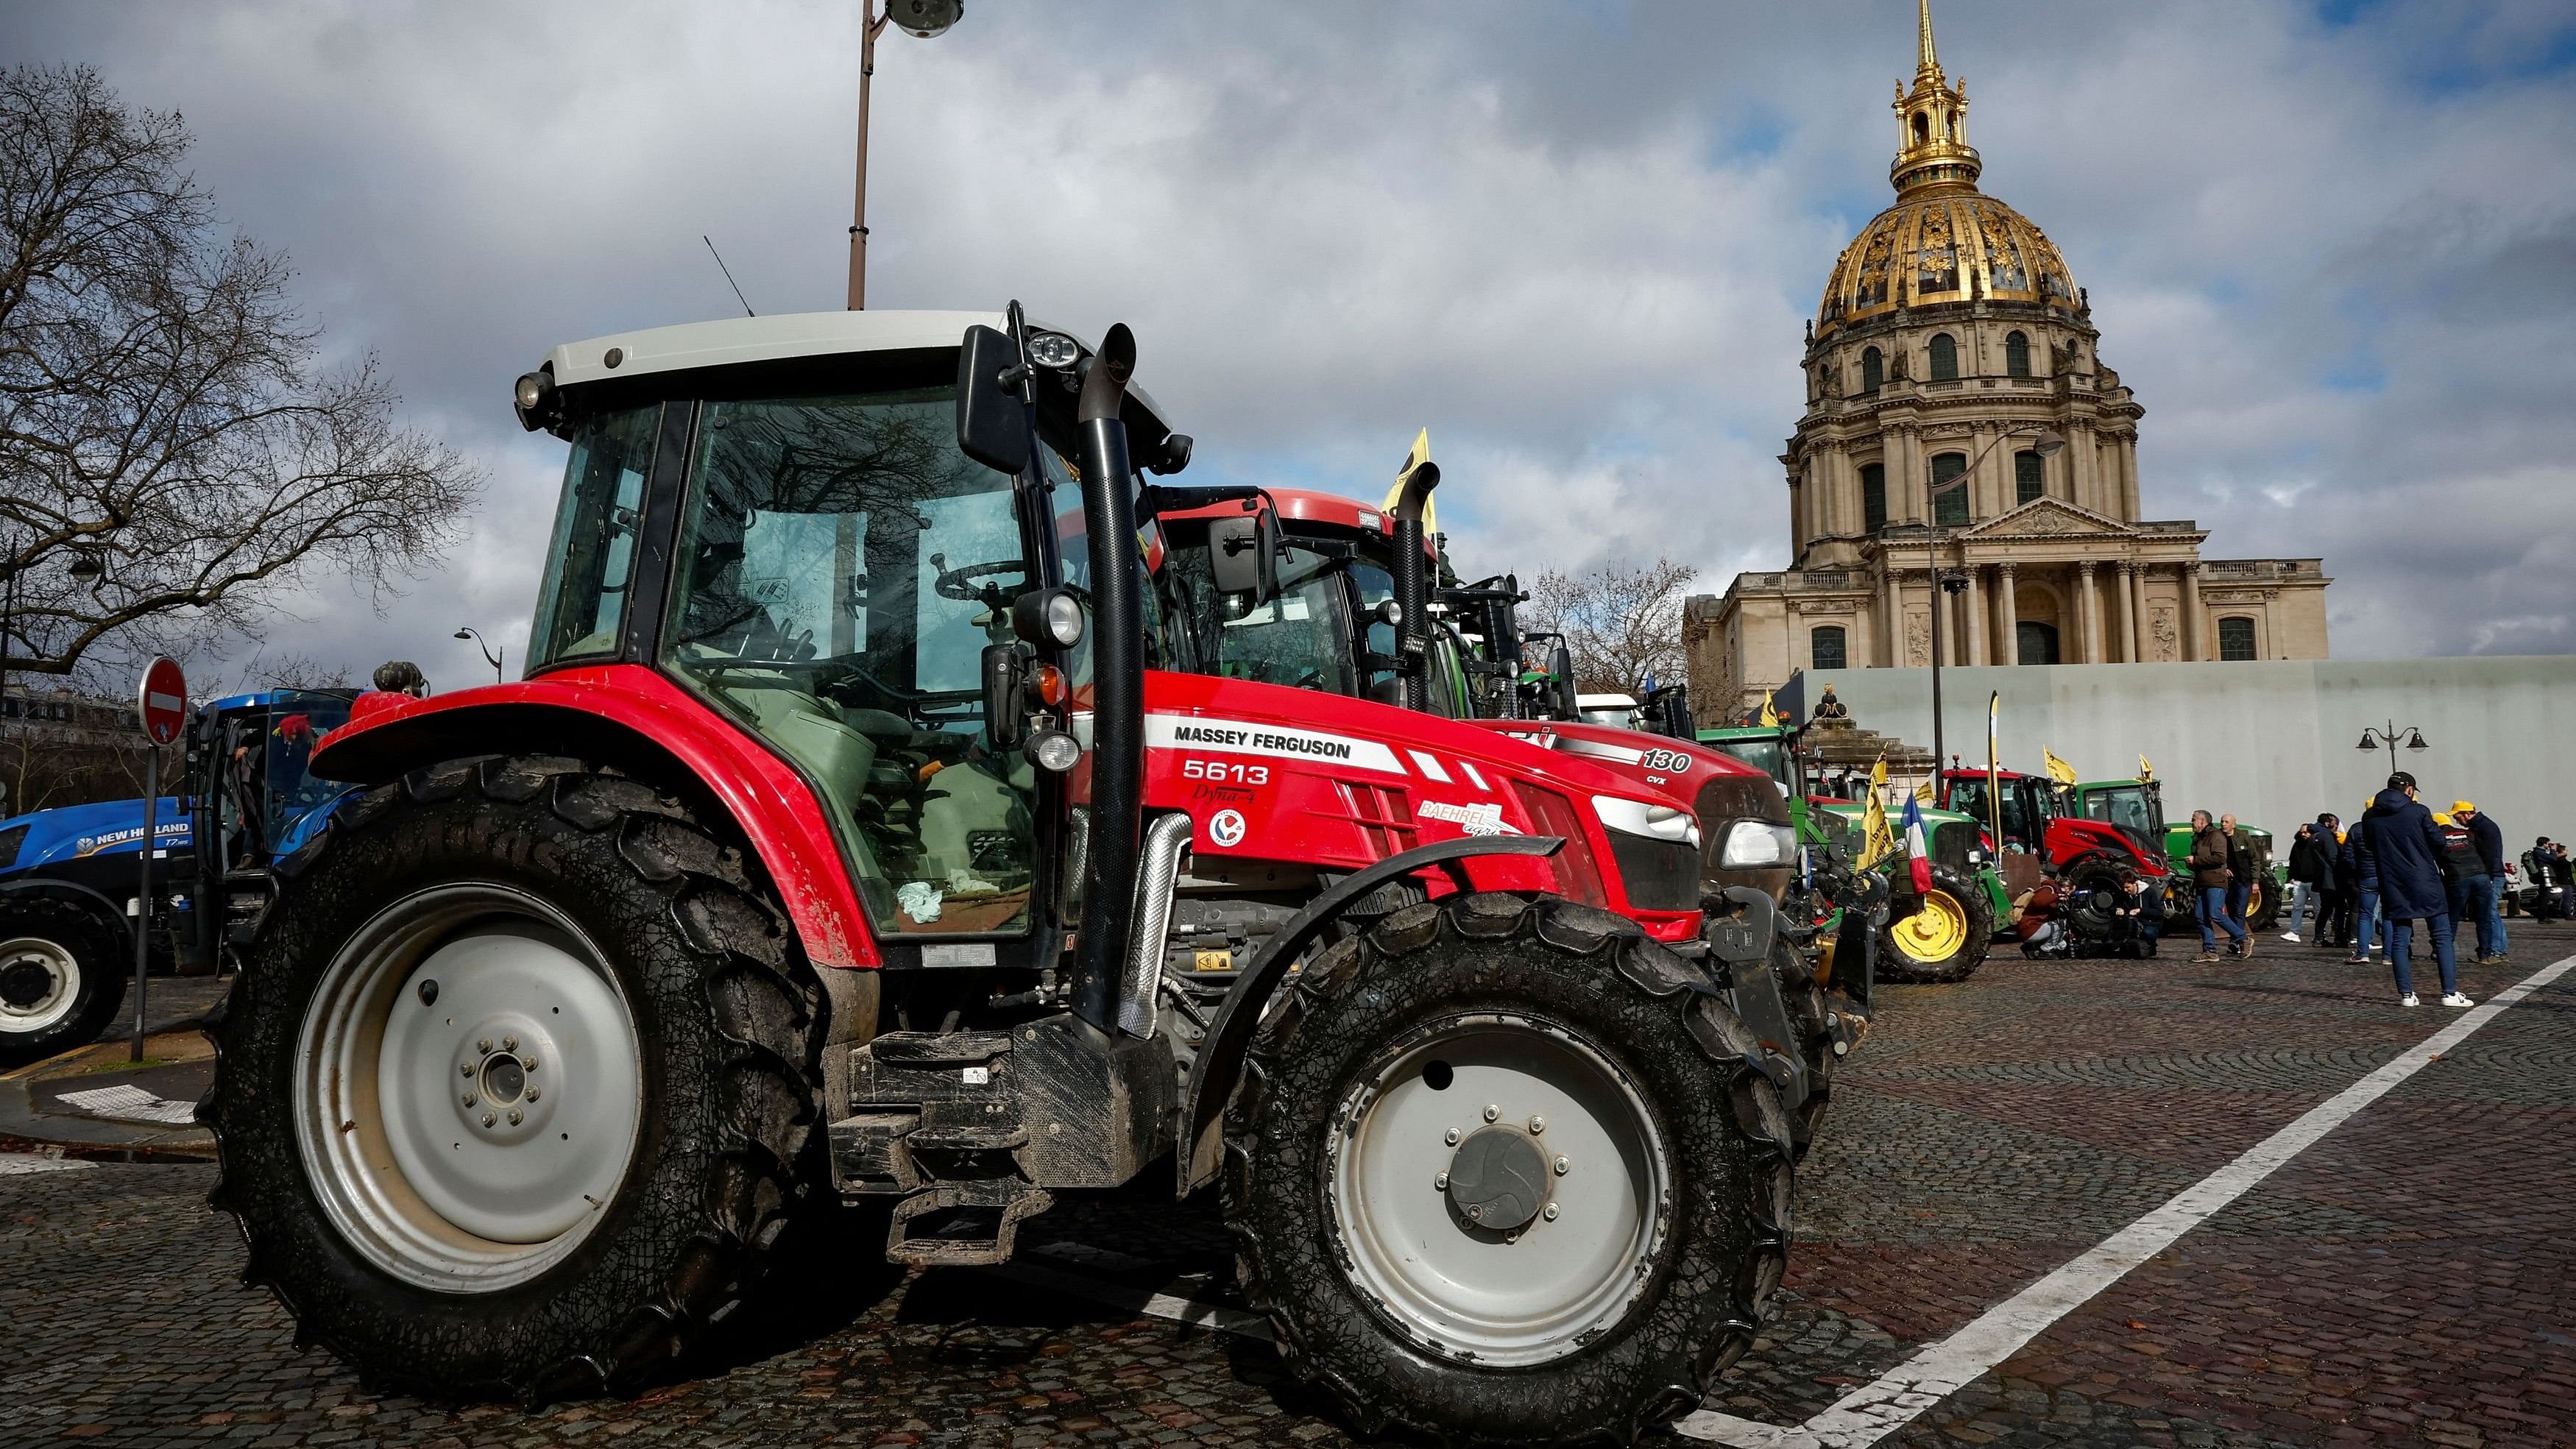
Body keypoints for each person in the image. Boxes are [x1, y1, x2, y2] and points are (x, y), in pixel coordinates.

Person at [2355, 771, 2469, 1009]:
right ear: (2409, 790)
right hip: (2424, 879)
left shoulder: (2369, 817)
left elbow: (2369, 843)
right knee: (2442, 937)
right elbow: (2439, 842)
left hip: (2392, 882)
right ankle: (2449, 992)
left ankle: (2406, 995)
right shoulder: (2419, 811)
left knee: (2399, 938)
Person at [2187, 809, 2249, 963]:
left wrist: (2196, 861)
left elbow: (2220, 858)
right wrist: (2191, 865)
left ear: (2203, 821)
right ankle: (2210, 950)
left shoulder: (2216, 836)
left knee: (2216, 914)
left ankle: (2243, 938)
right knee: (2200, 917)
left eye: (2193, 819)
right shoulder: (2197, 838)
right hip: (2201, 882)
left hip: (2216, 882)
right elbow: (2200, 861)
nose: (2191, 822)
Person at [2452, 801, 2507, 964]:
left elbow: (2491, 855)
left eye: (2458, 818)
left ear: (2467, 813)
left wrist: (2488, 876)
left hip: (2492, 874)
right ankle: (2499, 950)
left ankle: (2496, 951)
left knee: (2490, 914)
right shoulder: (2481, 827)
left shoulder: (2485, 828)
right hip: (2491, 874)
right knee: (2491, 914)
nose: (2458, 822)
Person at [2282, 818, 2335, 943]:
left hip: (2314, 881)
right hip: (2300, 881)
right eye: (2302, 832)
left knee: (2319, 908)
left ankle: (2321, 934)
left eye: (2306, 832)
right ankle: (2294, 932)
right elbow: (2293, 861)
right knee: (2297, 907)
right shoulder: (2297, 845)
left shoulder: (2316, 844)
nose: (2304, 835)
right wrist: (2292, 877)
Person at [2340, 812, 2381, 964]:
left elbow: (2348, 854)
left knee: (2365, 915)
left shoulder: (2357, 829)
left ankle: (2363, 953)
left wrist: (2358, 870)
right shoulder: (2387, 826)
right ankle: (2389, 955)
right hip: (2386, 875)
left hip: (2366, 875)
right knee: (2390, 916)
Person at [2220, 812, 2258, 955]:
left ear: (2233, 824)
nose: (2223, 824)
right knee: (2228, 912)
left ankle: (2236, 942)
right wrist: (2224, 869)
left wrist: (2255, 881)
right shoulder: (2219, 838)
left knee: (2240, 911)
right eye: (2222, 821)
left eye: (2226, 822)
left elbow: (2254, 860)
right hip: (2227, 882)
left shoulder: (2243, 838)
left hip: (2243, 880)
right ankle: (2236, 940)